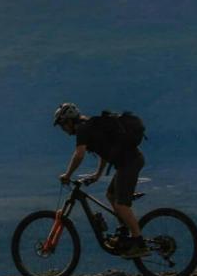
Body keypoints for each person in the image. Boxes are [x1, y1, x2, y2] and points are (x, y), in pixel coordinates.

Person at [52, 103, 150, 256]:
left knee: (121, 204)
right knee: (110, 195)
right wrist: (98, 174)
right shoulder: (89, 126)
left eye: (62, 125)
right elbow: (105, 151)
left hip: (130, 163)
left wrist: (68, 175)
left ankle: (139, 243)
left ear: (69, 121)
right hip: (127, 162)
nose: (63, 129)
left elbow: (79, 155)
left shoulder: (83, 130)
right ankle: (124, 233)